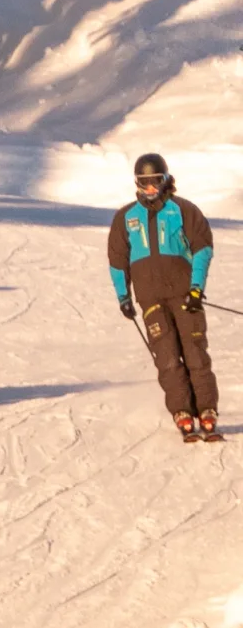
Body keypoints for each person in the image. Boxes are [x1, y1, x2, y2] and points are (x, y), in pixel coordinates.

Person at [110, 152, 218, 441]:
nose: (149, 188)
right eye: (144, 182)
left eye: (155, 181)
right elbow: (117, 260)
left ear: (165, 179)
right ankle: (181, 411)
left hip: (186, 296)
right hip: (150, 300)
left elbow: (202, 249)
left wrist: (196, 287)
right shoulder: (126, 218)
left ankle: (206, 409)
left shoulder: (183, 210)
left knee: (195, 353)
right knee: (167, 358)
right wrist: (123, 295)